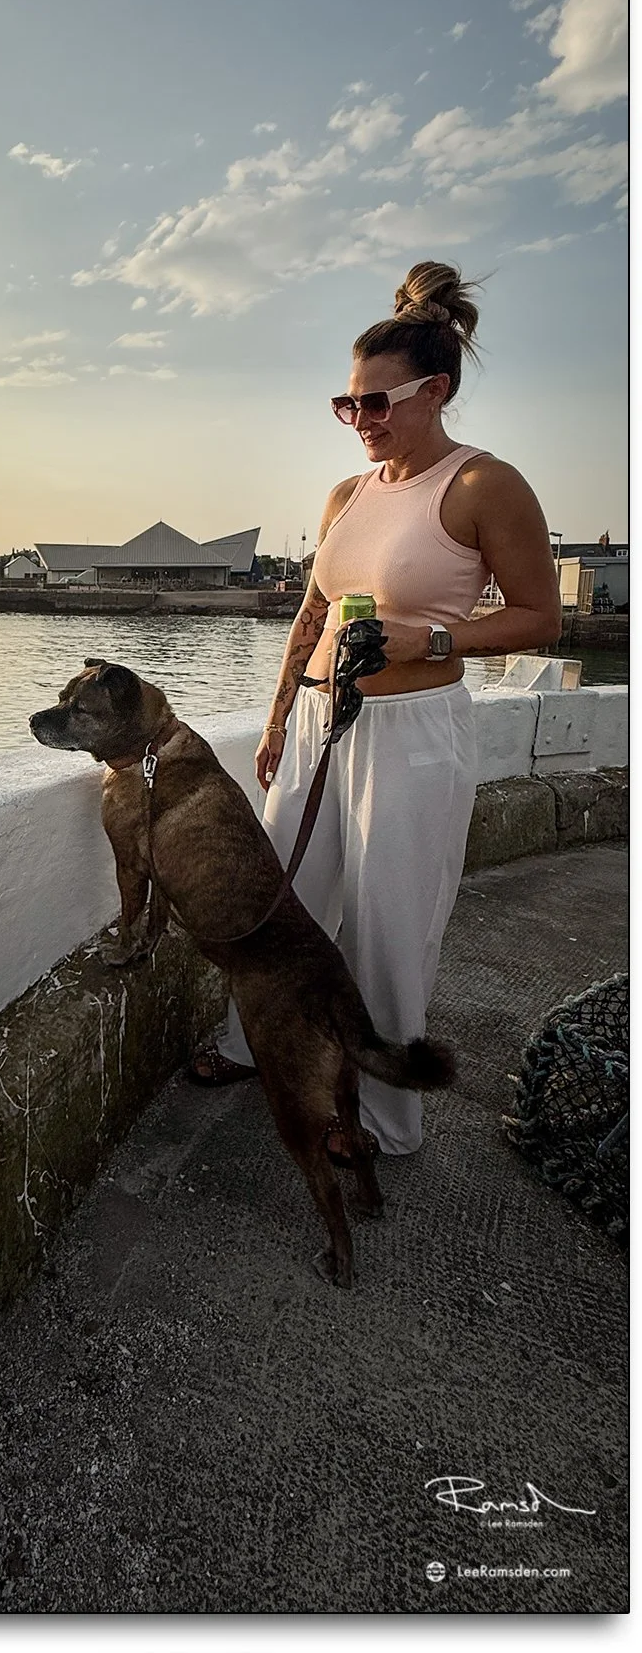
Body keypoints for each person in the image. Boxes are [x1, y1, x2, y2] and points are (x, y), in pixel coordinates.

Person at [189, 261, 562, 1161]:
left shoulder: (482, 487)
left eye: (377, 404)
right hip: (320, 724)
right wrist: (279, 718)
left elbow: (540, 618)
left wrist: (428, 642)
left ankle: (390, 1115)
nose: (360, 422)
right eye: (346, 405)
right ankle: (259, 1046)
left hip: (410, 735)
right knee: (288, 905)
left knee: (392, 923)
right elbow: (312, 612)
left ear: (435, 392)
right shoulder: (348, 496)